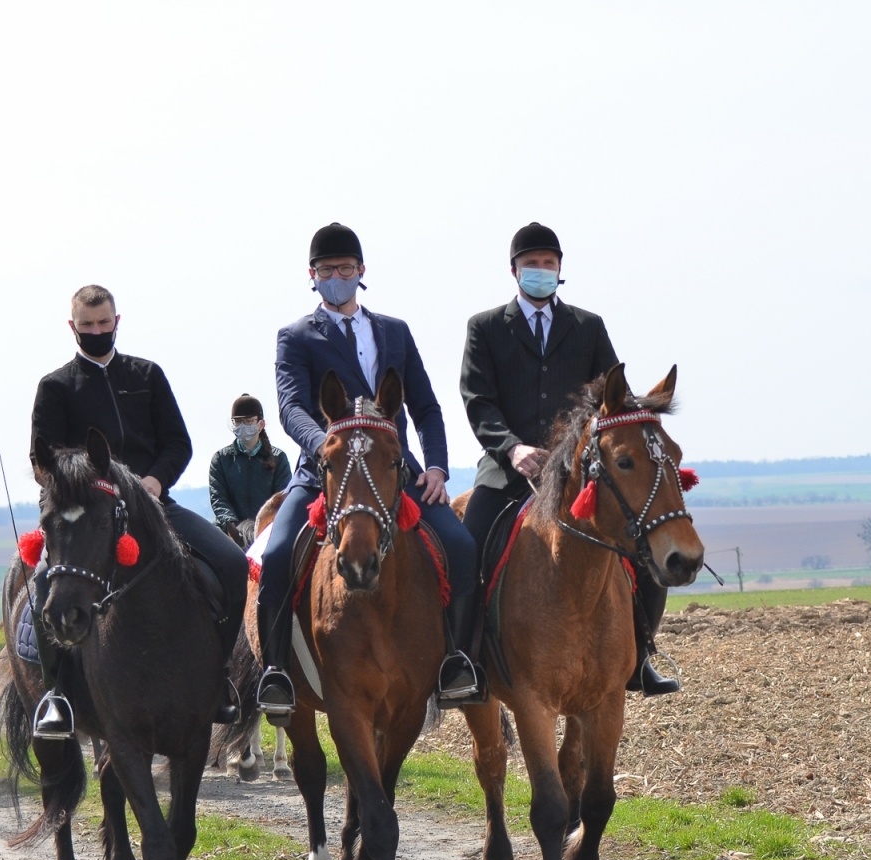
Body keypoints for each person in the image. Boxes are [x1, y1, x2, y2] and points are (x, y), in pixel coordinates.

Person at [255, 223, 484, 713]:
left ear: (361, 270)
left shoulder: (394, 331)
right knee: (275, 556)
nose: (336, 277)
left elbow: (426, 407)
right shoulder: (295, 337)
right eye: (326, 270)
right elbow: (291, 407)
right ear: (311, 275)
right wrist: (324, 445)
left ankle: (458, 661)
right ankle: (276, 673)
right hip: (325, 471)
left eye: (344, 268)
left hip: (392, 471)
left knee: (462, 546)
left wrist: (437, 468)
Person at [460, 221, 678, 695]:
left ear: (560, 269)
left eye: (548, 263)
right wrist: (512, 447)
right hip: (507, 472)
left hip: (579, 473)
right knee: (466, 549)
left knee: (644, 548)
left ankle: (640, 656)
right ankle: (464, 661)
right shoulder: (486, 327)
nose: (540, 270)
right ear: (514, 270)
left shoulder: (588, 326)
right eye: (531, 263)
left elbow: (613, 398)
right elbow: (478, 400)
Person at [30, 284, 249, 729]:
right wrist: (85, 485)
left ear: (117, 322)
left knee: (231, 563)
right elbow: (41, 461)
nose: (96, 331)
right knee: (41, 585)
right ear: (73, 327)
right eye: (87, 325)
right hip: (82, 516)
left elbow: (178, 443)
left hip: (153, 505)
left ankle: (221, 677)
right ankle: (57, 695)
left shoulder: (148, 375)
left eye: (103, 323)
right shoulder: (54, 387)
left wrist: (154, 481)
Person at [208, 394, 291, 547]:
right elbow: (219, 499)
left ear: (261, 424)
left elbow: (281, 498)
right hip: (230, 533)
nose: (243, 426)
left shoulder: (278, 458)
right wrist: (233, 527)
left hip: (267, 532)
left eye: (248, 421)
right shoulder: (221, 459)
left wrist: (263, 528)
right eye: (238, 421)